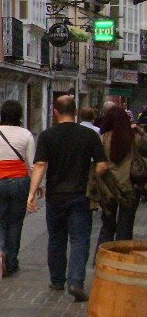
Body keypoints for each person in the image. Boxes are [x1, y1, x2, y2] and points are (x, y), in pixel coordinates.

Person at [27, 95, 108, 302]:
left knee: (56, 238)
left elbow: (40, 165)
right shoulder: (89, 135)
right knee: (80, 239)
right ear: (76, 111)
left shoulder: (47, 135)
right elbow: (102, 165)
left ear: (55, 112)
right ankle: (75, 281)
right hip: (80, 195)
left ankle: (56, 279)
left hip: (55, 196)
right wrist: (93, 177)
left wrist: (32, 193)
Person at [0, 100, 37, 277]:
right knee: (15, 223)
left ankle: (1, 251)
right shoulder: (26, 135)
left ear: (1, 114)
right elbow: (33, 165)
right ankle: (12, 262)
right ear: (20, 115)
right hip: (20, 182)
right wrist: (37, 188)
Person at [94, 104, 143, 249]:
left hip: (108, 188)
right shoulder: (133, 137)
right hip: (129, 187)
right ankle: (121, 261)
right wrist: (137, 128)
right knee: (125, 228)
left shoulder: (102, 138)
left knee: (107, 227)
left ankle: (101, 260)